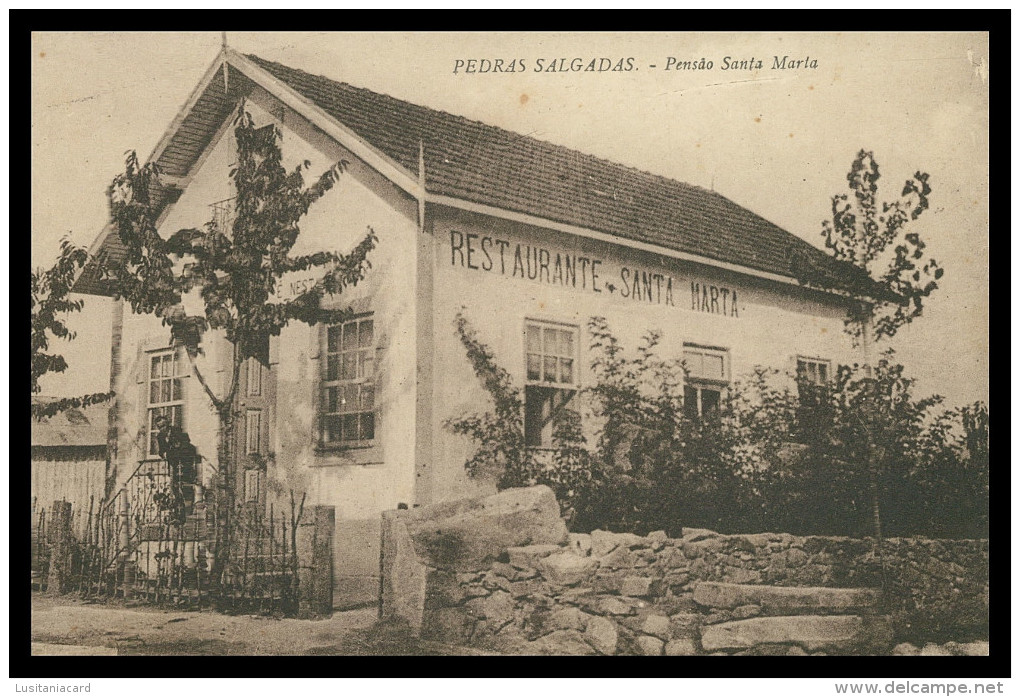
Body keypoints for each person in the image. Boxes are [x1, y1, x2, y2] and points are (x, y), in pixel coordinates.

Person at [154, 415, 199, 524]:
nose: (162, 429)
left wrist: (176, 450)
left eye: (164, 426)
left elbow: (186, 444)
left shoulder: (177, 431)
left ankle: (188, 512)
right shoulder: (160, 436)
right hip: (172, 464)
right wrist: (164, 454)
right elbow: (161, 451)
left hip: (184, 464)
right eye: (160, 427)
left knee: (184, 487)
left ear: (167, 424)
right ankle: (178, 515)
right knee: (174, 488)